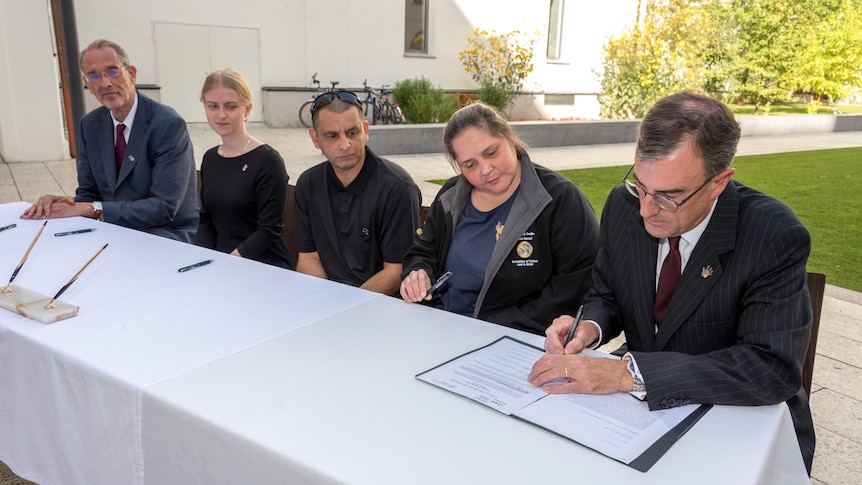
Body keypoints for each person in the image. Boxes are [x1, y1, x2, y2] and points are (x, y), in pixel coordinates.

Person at [528, 91, 815, 473]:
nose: (646, 209)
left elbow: (768, 367)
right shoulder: (622, 204)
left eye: (669, 196)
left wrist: (627, 373)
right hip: (638, 417)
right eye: (641, 185)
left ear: (719, 183)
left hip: (737, 420)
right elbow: (607, 293)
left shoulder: (772, 235)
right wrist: (588, 328)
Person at [400, 102, 600, 335]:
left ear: (509, 137)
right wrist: (418, 272)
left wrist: (495, 327)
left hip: (516, 342)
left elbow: (577, 288)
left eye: (491, 152)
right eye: (470, 165)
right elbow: (423, 249)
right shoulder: (451, 196)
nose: (485, 169)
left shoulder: (559, 199)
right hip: (440, 329)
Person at [21, 39, 198, 243]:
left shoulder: (167, 124)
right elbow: (89, 194)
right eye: (94, 76)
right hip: (114, 229)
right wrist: (63, 203)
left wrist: (91, 209)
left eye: (113, 71)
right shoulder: (90, 124)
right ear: (86, 83)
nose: (105, 83)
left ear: (131, 74)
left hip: (164, 234)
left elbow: (164, 208)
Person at [295, 90, 421, 294]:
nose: (344, 145)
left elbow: (396, 271)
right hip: (326, 299)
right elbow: (309, 258)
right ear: (315, 138)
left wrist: (347, 306)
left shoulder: (397, 187)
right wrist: (323, 300)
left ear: (365, 130)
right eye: (332, 136)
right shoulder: (308, 184)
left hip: (380, 306)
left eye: (352, 133)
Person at [195, 68, 292, 269]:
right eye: (213, 106)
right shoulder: (210, 158)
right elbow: (206, 219)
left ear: (247, 109)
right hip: (221, 263)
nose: (221, 114)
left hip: (262, 266)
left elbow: (269, 231)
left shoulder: (268, 161)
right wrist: (202, 258)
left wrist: (228, 262)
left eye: (230, 107)